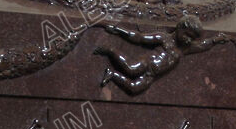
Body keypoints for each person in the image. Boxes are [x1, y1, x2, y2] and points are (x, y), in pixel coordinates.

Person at [94, 15, 227, 95]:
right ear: (179, 28)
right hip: (147, 63)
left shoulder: (185, 49)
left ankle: (113, 74)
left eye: (192, 38)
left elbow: (202, 45)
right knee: (130, 68)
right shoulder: (164, 38)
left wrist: (215, 40)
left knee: (134, 88)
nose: (188, 40)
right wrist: (118, 30)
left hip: (152, 75)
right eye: (187, 35)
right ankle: (110, 50)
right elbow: (139, 37)